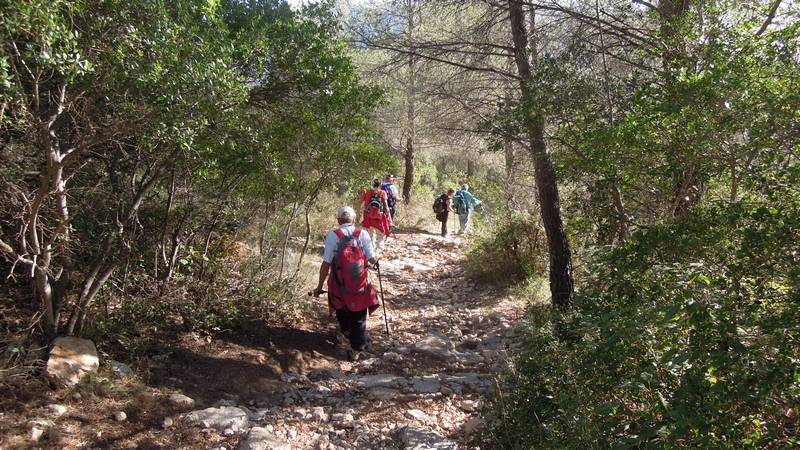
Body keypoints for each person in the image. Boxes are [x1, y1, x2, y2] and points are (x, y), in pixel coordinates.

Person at [313, 206, 380, 361]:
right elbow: (371, 258)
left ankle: (348, 332)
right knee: (359, 315)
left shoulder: (332, 235)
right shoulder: (362, 234)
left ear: (338, 220)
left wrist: (320, 286)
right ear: (354, 219)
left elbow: (326, 263)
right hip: (359, 283)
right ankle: (356, 347)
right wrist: (376, 262)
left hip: (338, 283)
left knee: (340, 307)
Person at [360, 178, 392, 253]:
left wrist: (359, 215)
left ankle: (370, 253)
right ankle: (378, 252)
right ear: (380, 185)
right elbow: (386, 206)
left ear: (372, 184)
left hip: (368, 217)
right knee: (381, 236)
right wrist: (388, 218)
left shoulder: (368, 192)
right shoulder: (382, 193)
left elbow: (361, 202)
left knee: (370, 236)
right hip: (379, 218)